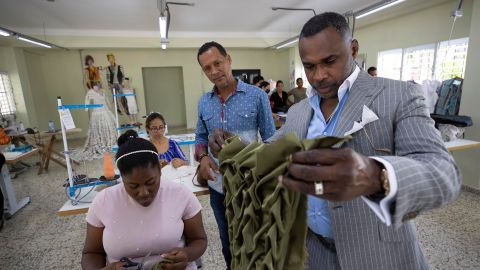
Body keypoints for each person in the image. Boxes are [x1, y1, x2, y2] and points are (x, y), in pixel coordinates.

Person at [208, 12, 461, 270]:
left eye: (329, 61)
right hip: (313, 253)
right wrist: (230, 144)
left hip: (377, 256)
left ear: (353, 48)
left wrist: (376, 175)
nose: (318, 76)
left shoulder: (398, 97)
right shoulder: (298, 112)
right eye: (309, 66)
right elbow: (268, 151)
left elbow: (443, 173)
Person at [194, 41, 275, 269]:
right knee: (228, 242)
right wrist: (203, 157)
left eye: (217, 63)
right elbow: (200, 138)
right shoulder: (203, 102)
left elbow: (271, 139)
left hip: (251, 186)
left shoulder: (257, 96)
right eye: (207, 68)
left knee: (255, 239)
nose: (214, 71)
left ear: (228, 60)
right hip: (219, 187)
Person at [81, 132, 207, 270]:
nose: (144, 193)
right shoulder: (103, 201)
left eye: (150, 182)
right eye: (133, 186)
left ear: (160, 170)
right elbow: (91, 252)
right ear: (122, 178)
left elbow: (198, 239)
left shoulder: (181, 194)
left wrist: (187, 254)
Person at [71, 82, 117, 161]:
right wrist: (86, 107)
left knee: (109, 126)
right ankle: (101, 143)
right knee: (98, 129)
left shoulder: (103, 91)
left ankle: (109, 143)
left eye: (98, 85)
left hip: (105, 110)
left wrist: (110, 106)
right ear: (93, 86)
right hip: (97, 112)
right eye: (95, 86)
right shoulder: (90, 92)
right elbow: (87, 99)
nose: (97, 87)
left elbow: (107, 100)